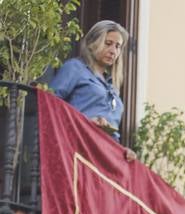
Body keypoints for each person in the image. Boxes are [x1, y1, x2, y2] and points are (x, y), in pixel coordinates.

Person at [50, 21, 135, 158]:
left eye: (118, 46)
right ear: (92, 43)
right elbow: (50, 104)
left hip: (103, 158)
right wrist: (86, 122)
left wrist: (122, 151)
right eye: (108, 43)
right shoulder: (75, 68)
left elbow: (112, 134)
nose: (113, 51)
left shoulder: (113, 87)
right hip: (76, 150)